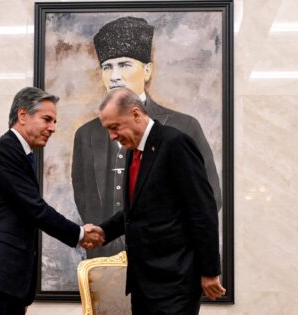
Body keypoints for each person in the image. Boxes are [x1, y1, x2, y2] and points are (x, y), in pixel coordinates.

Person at [0, 87, 104, 315]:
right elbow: (35, 208)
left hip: (0, 279)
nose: (53, 128)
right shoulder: (3, 149)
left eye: (55, 121)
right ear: (22, 116)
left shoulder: (20, 153)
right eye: (47, 119)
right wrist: (79, 234)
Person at [72, 16, 221, 258]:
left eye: (125, 65)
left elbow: (210, 198)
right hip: (103, 257)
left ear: (148, 70)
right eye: (107, 67)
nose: (114, 76)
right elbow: (84, 196)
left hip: (166, 257)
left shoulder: (183, 127)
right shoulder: (85, 134)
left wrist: (165, 237)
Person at [97, 87, 225, 314]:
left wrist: (209, 272)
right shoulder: (133, 151)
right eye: (108, 130)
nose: (112, 137)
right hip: (142, 283)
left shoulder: (175, 144)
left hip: (175, 283)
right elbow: (135, 211)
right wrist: (101, 231)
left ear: (136, 114)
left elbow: (202, 210)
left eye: (115, 128)